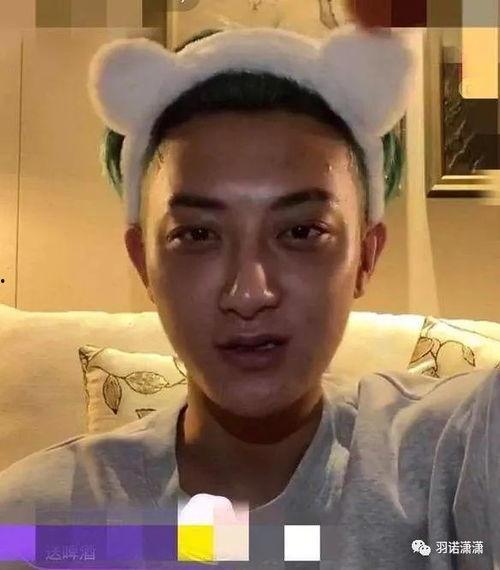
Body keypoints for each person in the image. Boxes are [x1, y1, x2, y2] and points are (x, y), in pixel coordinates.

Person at [0, 25, 498, 570]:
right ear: (144, 263)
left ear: (365, 257)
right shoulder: (36, 523)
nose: (249, 292)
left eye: (301, 232)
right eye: (197, 234)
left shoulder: (449, 459)